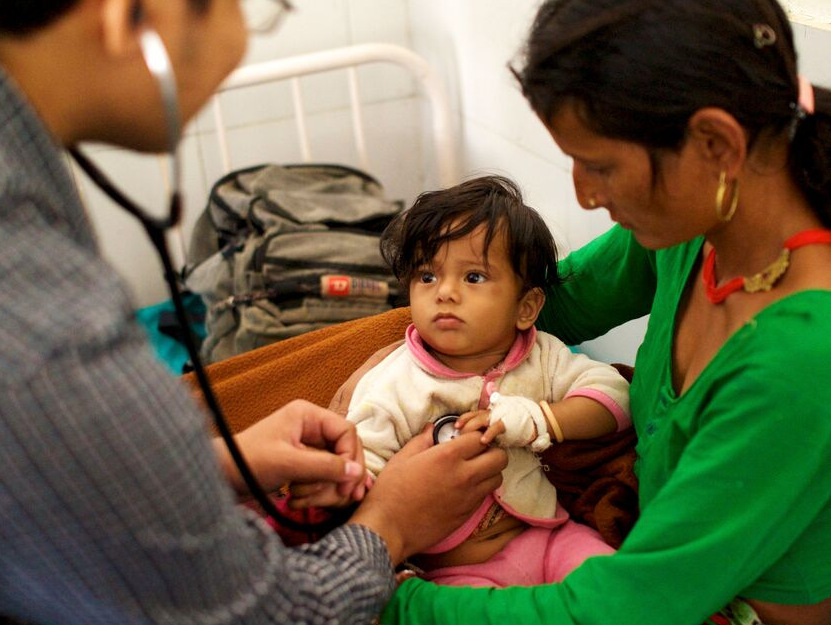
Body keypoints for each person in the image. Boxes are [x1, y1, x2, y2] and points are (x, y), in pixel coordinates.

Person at [0, 2, 508, 624]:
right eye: (248, 9)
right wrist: (391, 523)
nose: (243, 37)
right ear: (128, 16)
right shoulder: (38, 321)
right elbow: (267, 613)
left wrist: (212, 462)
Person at [381, 1, 831, 625]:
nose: (583, 194)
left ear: (715, 144)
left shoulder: (800, 357)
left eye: (599, 166)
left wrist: (391, 597)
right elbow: (542, 302)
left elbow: (625, 609)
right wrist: (404, 361)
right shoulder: (696, 231)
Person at [309, 175, 630, 587]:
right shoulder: (395, 381)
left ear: (527, 307)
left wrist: (541, 419)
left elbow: (616, 397)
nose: (444, 292)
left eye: (473, 277)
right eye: (427, 276)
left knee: (612, 584)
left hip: (549, 536)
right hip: (454, 569)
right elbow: (362, 462)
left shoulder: (541, 356)